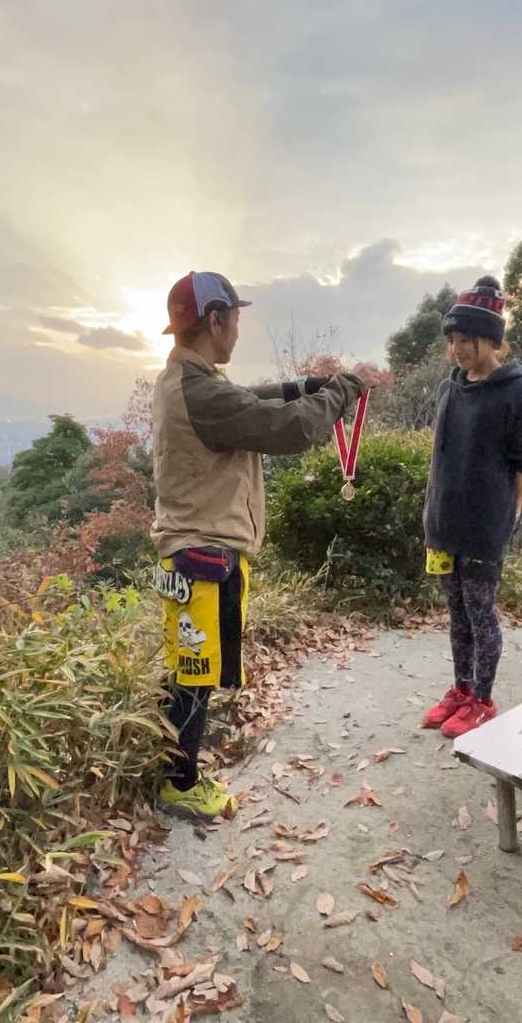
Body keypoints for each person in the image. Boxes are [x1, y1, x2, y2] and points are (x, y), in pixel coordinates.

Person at [150, 270, 367, 821]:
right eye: (235, 319)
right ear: (215, 320)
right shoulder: (200, 392)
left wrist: (306, 386)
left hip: (192, 550)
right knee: (194, 679)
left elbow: (247, 399)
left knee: (191, 674)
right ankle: (179, 785)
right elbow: (290, 430)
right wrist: (339, 391)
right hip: (203, 554)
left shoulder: (184, 381)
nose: (238, 331)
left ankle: (178, 772)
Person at [420, 275, 522, 739]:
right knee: (456, 614)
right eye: (453, 339)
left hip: (483, 528)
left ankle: (482, 701)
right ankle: (461, 689)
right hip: (443, 523)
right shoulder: (450, 388)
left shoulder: (517, 392)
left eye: (466, 339)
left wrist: (508, 516)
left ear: (491, 339)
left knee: (480, 613)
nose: (457, 349)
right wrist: (432, 514)